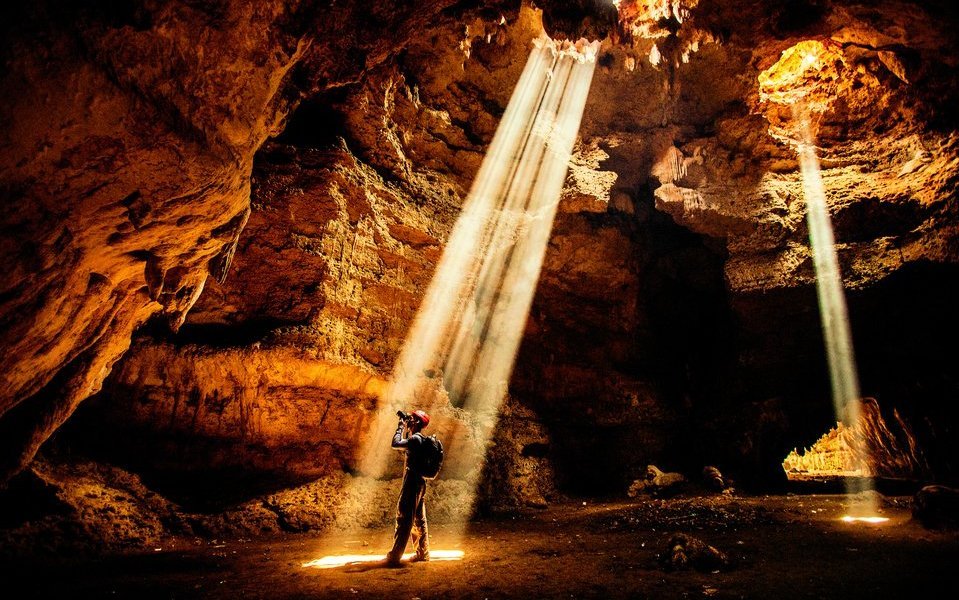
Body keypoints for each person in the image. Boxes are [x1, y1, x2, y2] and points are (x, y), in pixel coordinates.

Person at [385, 409, 432, 566]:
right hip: (419, 483)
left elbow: (395, 443)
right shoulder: (418, 440)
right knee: (419, 519)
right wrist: (406, 428)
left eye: (411, 419)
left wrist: (400, 427)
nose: (408, 420)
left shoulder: (415, 440)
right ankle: (422, 553)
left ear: (417, 423)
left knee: (404, 517)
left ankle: (394, 556)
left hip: (412, 483)